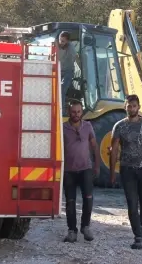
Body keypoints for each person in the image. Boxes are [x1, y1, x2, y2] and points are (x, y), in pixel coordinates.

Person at [110, 94, 142, 250]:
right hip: (127, 170)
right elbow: (114, 150)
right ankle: (138, 237)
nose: (131, 108)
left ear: (138, 107)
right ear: (125, 107)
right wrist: (112, 172)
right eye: (129, 106)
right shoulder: (119, 126)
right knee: (132, 204)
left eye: (134, 106)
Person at [62, 101, 100, 243]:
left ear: (82, 112)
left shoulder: (88, 126)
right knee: (70, 202)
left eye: (78, 112)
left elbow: (94, 146)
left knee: (88, 199)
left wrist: (97, 165)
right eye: (73, 112)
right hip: (69, 170)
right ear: (69, 111)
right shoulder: (63, 128)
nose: (76, 114)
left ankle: (86, 227)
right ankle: (72, 231)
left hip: (85, 169)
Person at [57, 31, 77, 114]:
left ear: (68, 41)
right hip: (59, 70)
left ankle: (61, 112)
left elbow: (72, 59)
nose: (60, 43)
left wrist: (61, 50)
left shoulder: (71, 49)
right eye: (60, 40)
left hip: (68, 71)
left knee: (61, 88)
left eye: (63, 41)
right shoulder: (56, 44)